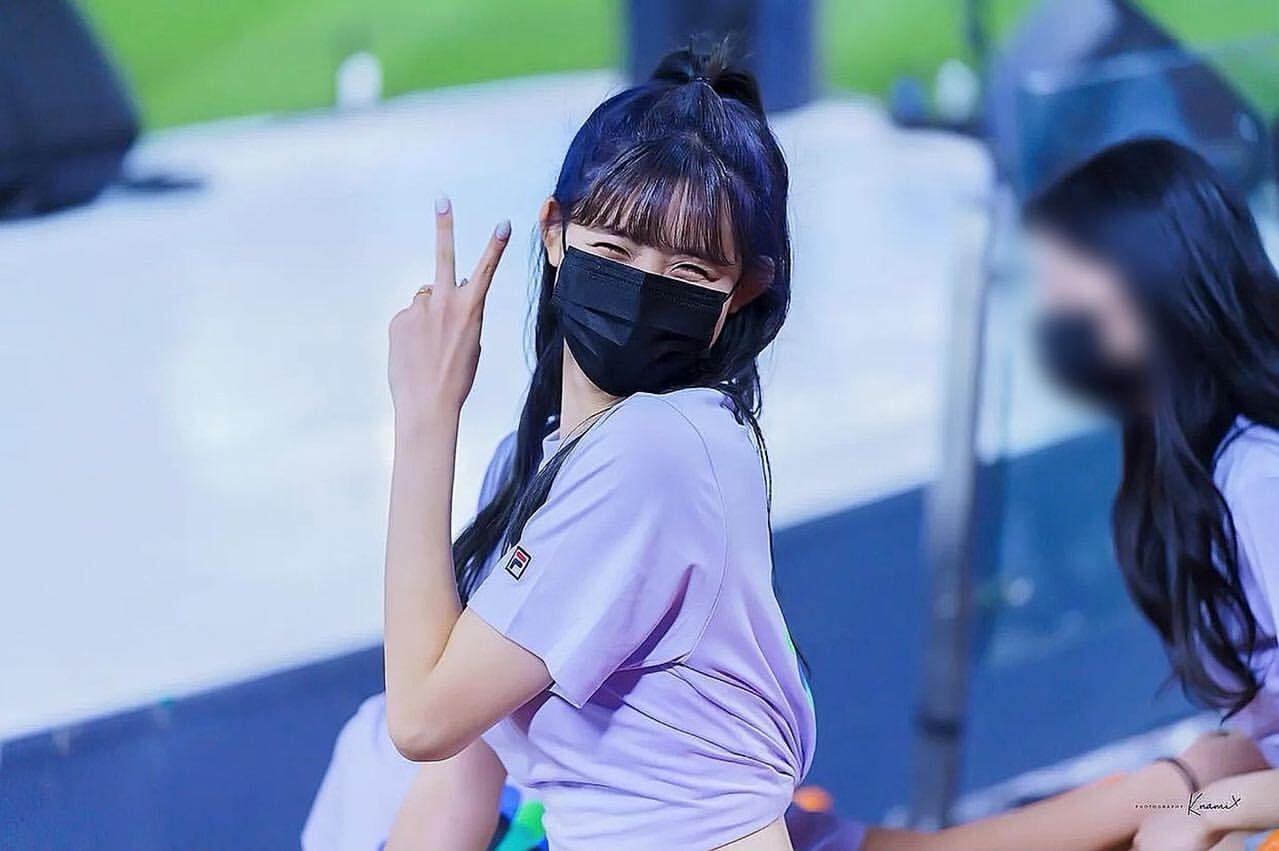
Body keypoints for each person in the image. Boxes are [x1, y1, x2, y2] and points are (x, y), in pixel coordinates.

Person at [345, 44, 814, 850]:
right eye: (615, 251)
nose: (644, 287)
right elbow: (459, 769)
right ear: (555, 233)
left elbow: (422, 719)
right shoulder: (527, 467)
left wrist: (425, 413)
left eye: (690, 270)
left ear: (740, 293)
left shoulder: (660, 451)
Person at [861, 138, 1279, 850]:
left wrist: (1206, 810)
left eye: (1067, 272)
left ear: (1146, 269)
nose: (1051, 301)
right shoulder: (1194, 459)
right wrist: (1191, 792)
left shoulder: (1257, 473)